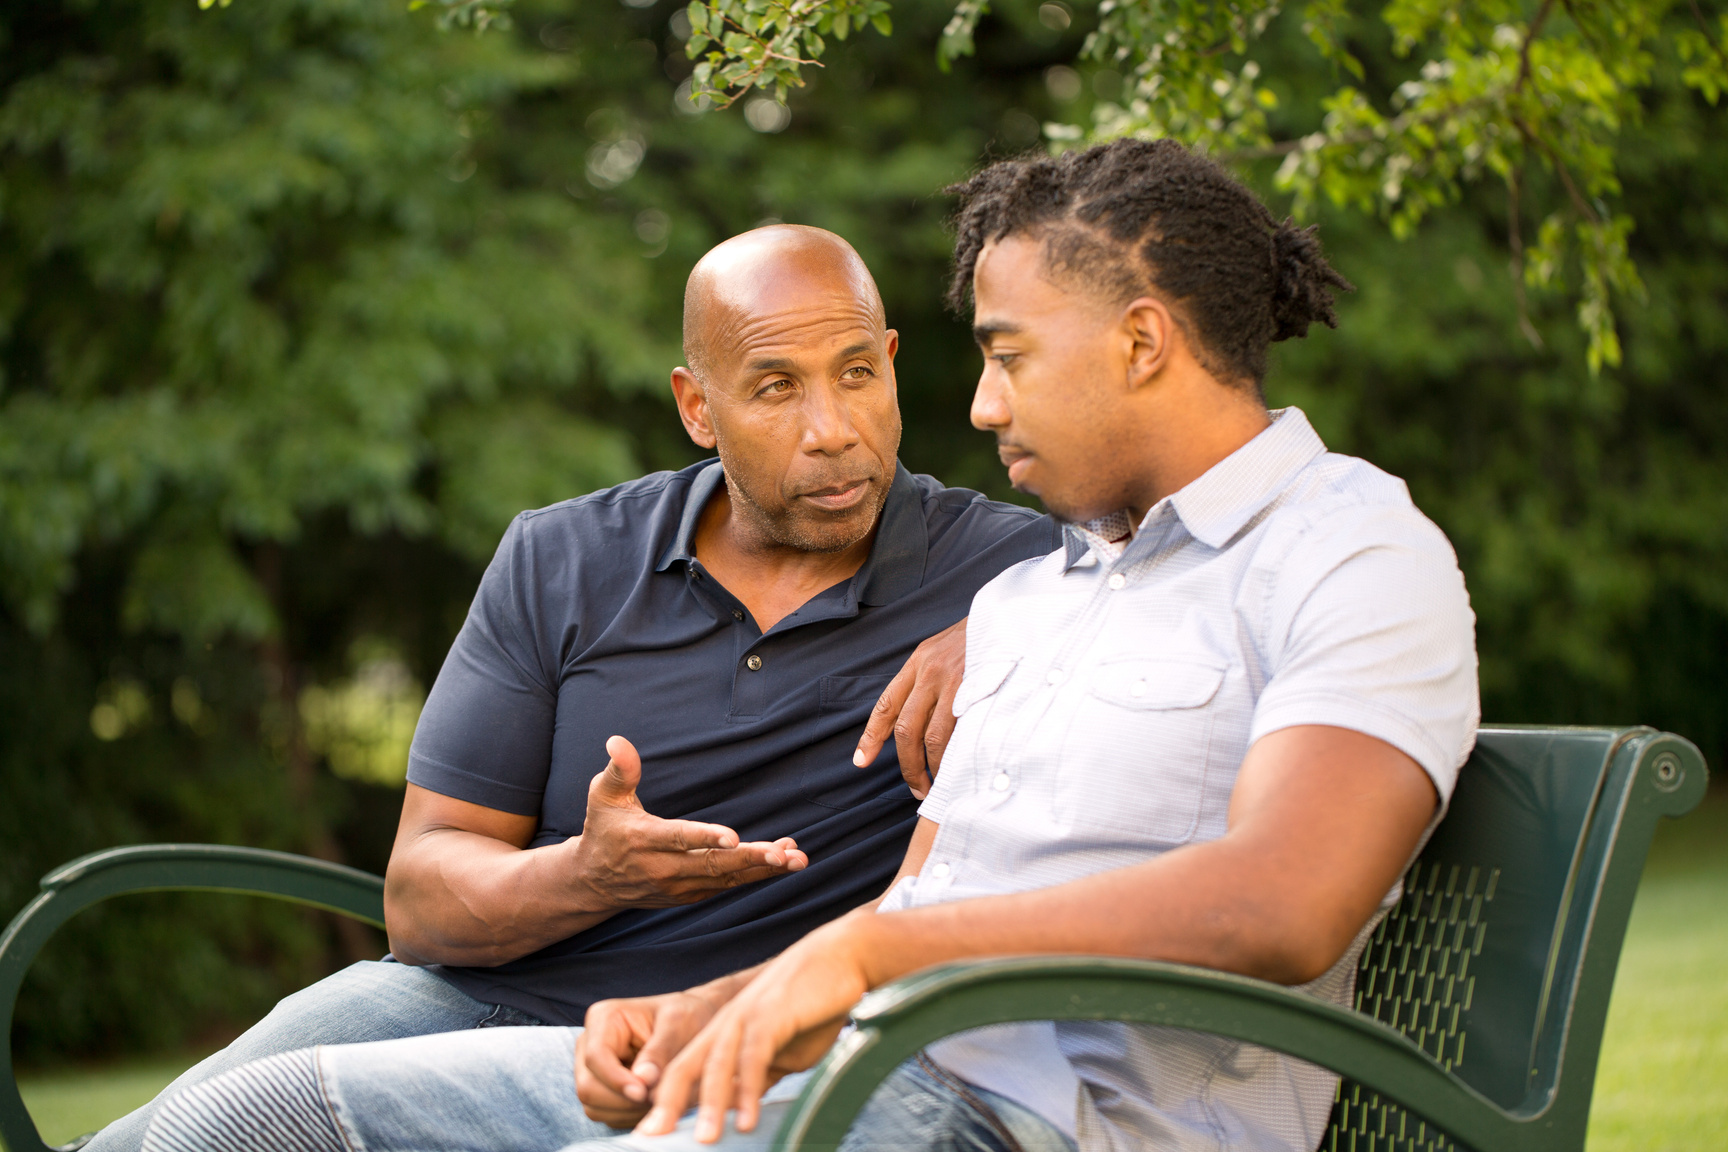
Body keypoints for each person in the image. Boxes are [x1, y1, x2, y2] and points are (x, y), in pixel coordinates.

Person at [142, 139, 1479, 1152]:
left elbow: (1283, 905)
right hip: (879, 1073)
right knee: (259, 1116)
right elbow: (917, 909)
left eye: (1007, 355)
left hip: (1024, 1123)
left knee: (295, 1129)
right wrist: (723, 1005)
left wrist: (865, 963)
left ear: (1141, 342)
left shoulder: (1349, 552)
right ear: (698, 406)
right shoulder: (1049, 593)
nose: (978, 402)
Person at [88, 224, 1059, 1152]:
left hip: (748, 1037)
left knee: (251, 1126)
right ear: (696, 407)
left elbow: (1167, 573)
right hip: (480, 995)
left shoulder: (1021, 574)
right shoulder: (562, 558)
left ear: (892, 361)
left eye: (857, 374)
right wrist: (587, 874)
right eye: (774, 388)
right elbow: (420, 901)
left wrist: (1015, 618)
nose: (833, 430)